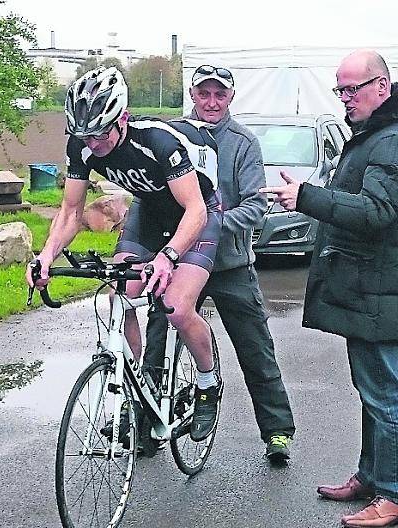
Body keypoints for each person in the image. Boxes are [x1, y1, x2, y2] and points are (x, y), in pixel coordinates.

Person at [261, 49, 398, 527]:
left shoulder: (396, 142)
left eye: (352, 89)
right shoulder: (377, 134)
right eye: (339, 89)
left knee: (385, 393)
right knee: (371, 388)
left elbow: (374, 212)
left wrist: (306, 197)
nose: (344, 99)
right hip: (367, 285)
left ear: (381, 88)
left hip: (378, 286)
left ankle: (396, 494)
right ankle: (371, 476)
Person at [26, 66, 224, 442]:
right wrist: (46, 255)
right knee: (120, 298)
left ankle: (207, 382)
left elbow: (195, 210)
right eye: (84, 134)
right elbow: (71, 211)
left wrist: (166, 258)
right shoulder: (82, 145)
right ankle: (135, 385)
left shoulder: (159, 143)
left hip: (196, 214)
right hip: (147, 213)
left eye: (101, 133)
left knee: (176, 306)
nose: (93, 143)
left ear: (124, 119)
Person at [140, 65, 297, 462]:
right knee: (158, 334)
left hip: (228, 263)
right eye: (204, 94)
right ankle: (144, 421)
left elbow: (256, 205)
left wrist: (209, 225)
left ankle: (277, 430)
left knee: (254, 345)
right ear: (192, 94)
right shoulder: (171, 137)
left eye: (219, 95)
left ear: (230, 98)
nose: (211, 102)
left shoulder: (243, 143)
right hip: (181, 261)